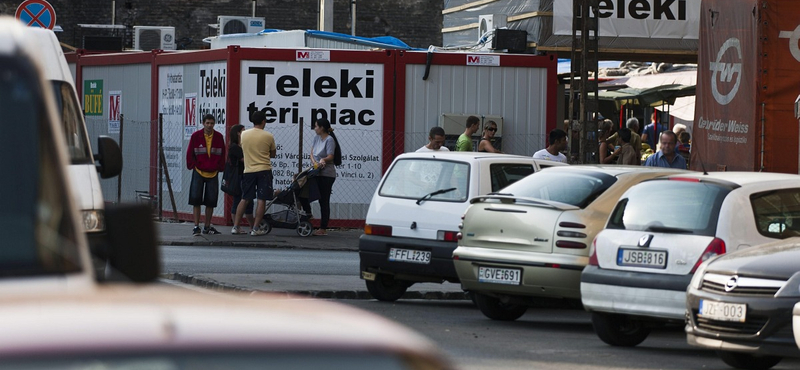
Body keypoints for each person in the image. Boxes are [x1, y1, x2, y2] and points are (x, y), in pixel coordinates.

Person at [233, 111, 277, 236]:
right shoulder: (268, 136)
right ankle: (255, 228)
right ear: (264, 121)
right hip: (264, 169)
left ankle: (236, 226)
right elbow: (273, 154)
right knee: (261, 199)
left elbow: (243, 148)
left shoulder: (244, 134)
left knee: (245, 198)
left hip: (248, 170)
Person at [186, 114, 226, 236]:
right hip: (198, 172)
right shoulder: (195, 136)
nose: (209, 125)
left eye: (212, 123)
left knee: (211, 201)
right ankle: (196, 226)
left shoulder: (219, 137)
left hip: (213, 173)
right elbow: (189, 153)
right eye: (207, 123)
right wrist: (192, 165)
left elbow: (223, 154)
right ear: (203, 123)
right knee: (195, 200)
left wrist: (220, 167)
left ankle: (207, 226)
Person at [309, 118, 341, 236]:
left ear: (322, 128)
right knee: (306, 192)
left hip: (326, 174)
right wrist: (314, 163)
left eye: (316, 126)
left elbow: (330, 156)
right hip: (316, 171)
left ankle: (323, 227)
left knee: (324, 199)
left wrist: (323, 160)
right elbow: (312, 153)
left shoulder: (329, 140)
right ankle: (308, 215)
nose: (315, 128)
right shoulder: (316, 138)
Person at [227, 124, 255, 235]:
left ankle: (252, 226)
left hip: (245, 175)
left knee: (249, 202)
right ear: (238, 133)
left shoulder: (241, 145)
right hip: (239, 176)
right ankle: (236, 225)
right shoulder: (235, 147)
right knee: (238, 200)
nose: (245, 132)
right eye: (243, 130)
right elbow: (245, 159)